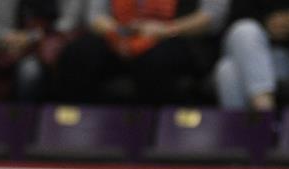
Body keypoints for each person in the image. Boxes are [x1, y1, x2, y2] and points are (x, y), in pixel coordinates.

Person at [51, 0, 233, 105]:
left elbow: (212, 17)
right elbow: (95, 16)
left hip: (179, 35)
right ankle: (80, 132)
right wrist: (118, 33)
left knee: (153, 61)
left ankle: (157, 138)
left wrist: (166, 30)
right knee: (78, 54)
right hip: (122, 34)